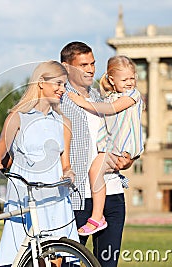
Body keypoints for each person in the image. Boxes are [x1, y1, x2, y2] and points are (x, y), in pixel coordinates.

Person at [0, 60, 79, 267]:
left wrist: (69, 173)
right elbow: (0, 151)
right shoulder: (17, 117)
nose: (62, 90)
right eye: (58, 83)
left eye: (64, 85)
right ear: (40, 82)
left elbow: (65, 164)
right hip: (24, 195)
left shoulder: (64, 122)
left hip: (54, 196)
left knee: (56, 258)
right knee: (20, 257)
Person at [59, 41, 135, 266]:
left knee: (107, 264)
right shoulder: (60, 101)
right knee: (68, 263)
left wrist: (128, 159)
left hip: (113, 195)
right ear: (66, 67)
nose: (91, 69)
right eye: (83, 65)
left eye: (92, 63)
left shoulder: (105, 98)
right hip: (78, 197)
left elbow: (124, 135)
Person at [67, 55, 145, 236]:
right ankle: (97, 216)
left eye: (132, 78)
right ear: (111, 79)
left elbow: (111, 110)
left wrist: (82, 102)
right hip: (111, 149)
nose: (129, 82)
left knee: (95, 170)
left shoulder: (133, 95)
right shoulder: (108, 97)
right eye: (124, 79)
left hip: (121, 148)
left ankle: (96, 217)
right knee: (97, 172)